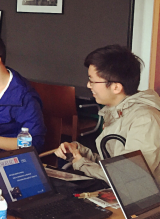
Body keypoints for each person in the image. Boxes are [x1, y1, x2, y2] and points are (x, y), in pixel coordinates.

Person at [56, 45, 160, 182]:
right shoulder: (117, 111)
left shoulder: (145, 119)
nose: (88, 85)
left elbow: (129, 176)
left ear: (116, 87)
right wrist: (77, 152)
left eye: (92, 81)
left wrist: (82, 164)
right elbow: (112, 163)